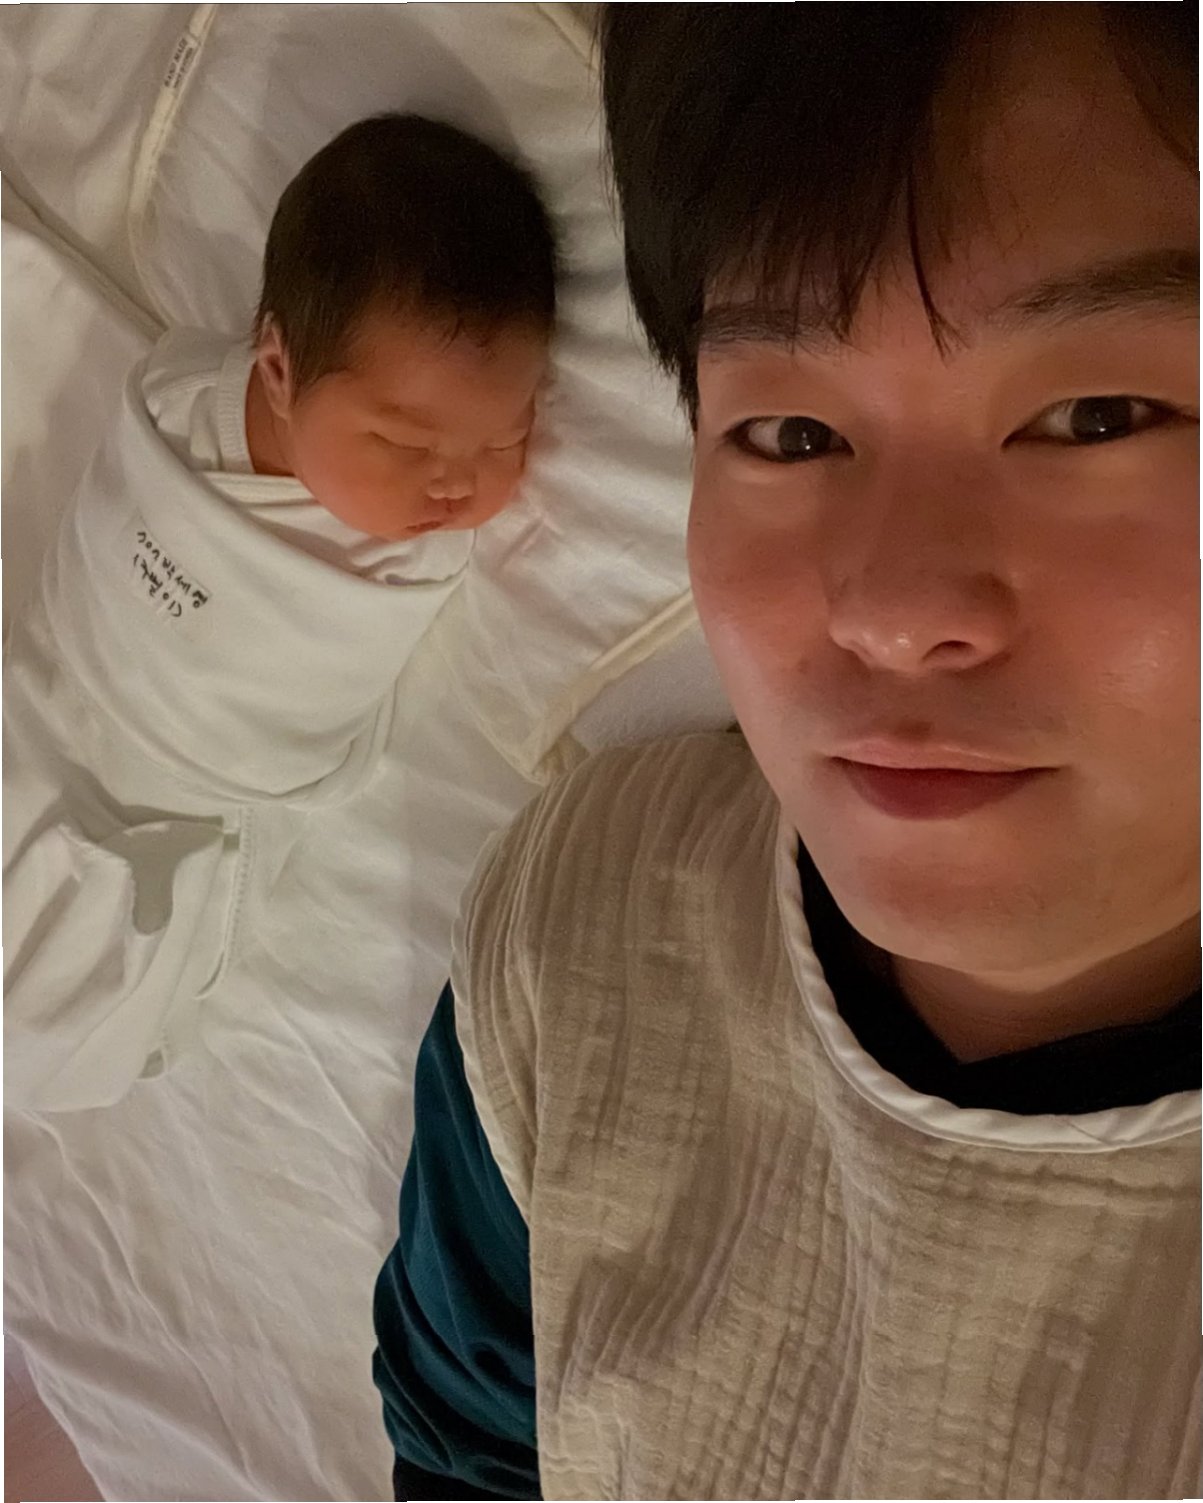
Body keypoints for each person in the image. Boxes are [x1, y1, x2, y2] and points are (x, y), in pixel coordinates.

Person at [371, 5, 1199, 1500]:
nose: (892, 613)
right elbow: (468, 1439)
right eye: (791, 435)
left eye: (1094, 417)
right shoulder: (583, 919)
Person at [4, 113, 555, 1112]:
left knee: (73, 970)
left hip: (180, 793)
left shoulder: (399, 566)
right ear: (276, 369)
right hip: (54, 693)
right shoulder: (175, 401)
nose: (454, 485)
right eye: (404, 442)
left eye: (503, 440)